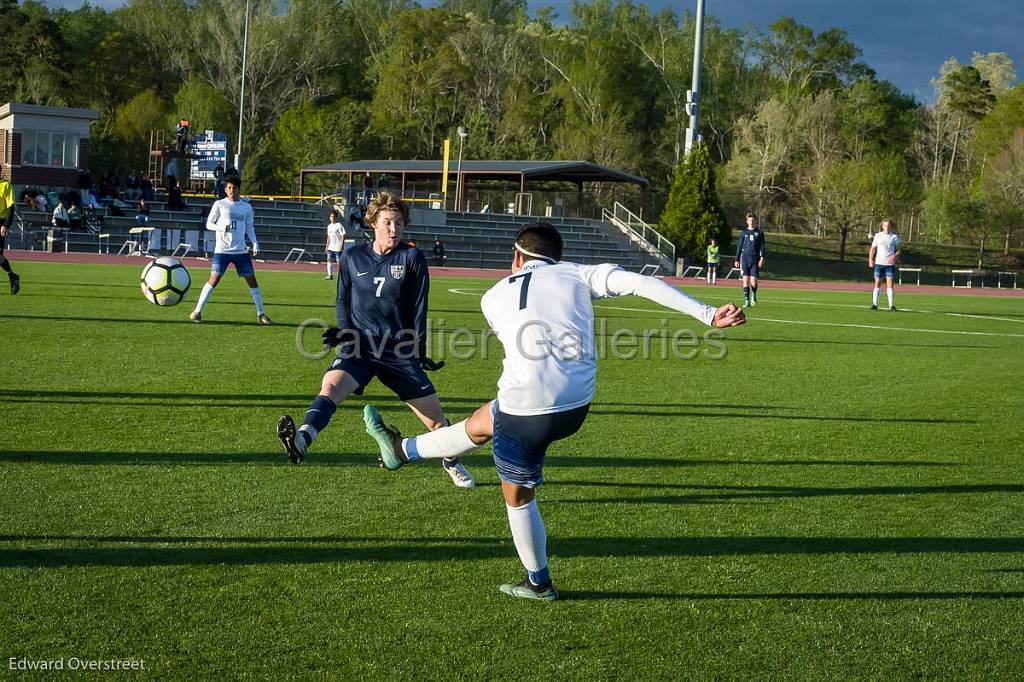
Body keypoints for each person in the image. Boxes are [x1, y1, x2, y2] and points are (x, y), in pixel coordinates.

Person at [363, 222, 746, 600]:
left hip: (526, 411)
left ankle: (538, 583)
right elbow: (642, 282)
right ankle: (401, 451)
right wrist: (707, 314)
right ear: (557, 257)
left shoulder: (491, 297)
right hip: (576, 405)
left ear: (516, 256)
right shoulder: (578, 274)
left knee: (517, 494)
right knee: (483, 421)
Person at [276, 192, 475, 489]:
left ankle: (452, 462)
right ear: (372, 223)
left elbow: (419, 308)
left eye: (398, 223)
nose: (393, 229)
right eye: (387, 223)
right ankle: (303, 439)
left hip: (398, 349)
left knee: (435, 422)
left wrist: (418, 350)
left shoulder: (411, 258)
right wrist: (346, 331)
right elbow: (342, 300)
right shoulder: (352, 256)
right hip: (360, 346)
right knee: (330, 387)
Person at [189, 176, 272, 325]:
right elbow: (209, 224)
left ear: (239, 189)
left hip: (240, 251)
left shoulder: (246, 207)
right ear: (225, 190)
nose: (232, 190)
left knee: (252, 281)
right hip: (222, 250)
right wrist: (221, 227)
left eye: (235, 188)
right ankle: (197, 311)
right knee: (214, 280)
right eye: (229, 188)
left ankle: (261, 314)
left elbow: (249, 227)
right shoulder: (220, 204)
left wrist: (255, 243)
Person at [869, 218, 901, 311]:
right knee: (877, 282)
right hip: (879, 263)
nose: (887, 227)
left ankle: (891, 305)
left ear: (890, 226)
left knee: (890, 284)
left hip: (889, 264)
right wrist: (870, 259)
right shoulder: (878, 236)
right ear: (882, 226)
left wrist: (894, 256)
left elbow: (899, 250)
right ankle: (875, 304)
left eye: (888, 225)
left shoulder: (894, 237)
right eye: (885, 225)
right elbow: (873, 248)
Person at [734, 212, 765, 307]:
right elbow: (739, 246)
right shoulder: (744, 233)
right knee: (745, 280)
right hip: (745, 258)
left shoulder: (759, 233)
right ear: (747, 221)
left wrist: (762, 258)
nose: (751, 222)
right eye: (749, 220)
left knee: (753, 281)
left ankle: (754, 294)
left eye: (752, 220)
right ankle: (746, 301)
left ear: (755, 221)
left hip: (755, 258)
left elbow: (762, 246)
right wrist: (737, 259)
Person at [0, 163, 21, 294]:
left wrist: (6, 225)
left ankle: (12, 276)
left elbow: (11, 208)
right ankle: (13, 276)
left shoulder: (6, 186)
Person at [324, 210, 346, 280]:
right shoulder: (329, 226)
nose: (332, 218)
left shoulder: (339, 225)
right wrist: (327, 246)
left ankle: (342, 275)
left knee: (338, 261)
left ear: (336, 217)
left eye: (333, 216)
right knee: (329, 259)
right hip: (331, 246)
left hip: (337, 246)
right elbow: (329, 237)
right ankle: (330, 275)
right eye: (331, 216)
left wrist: (342, 245)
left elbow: (343, 235)